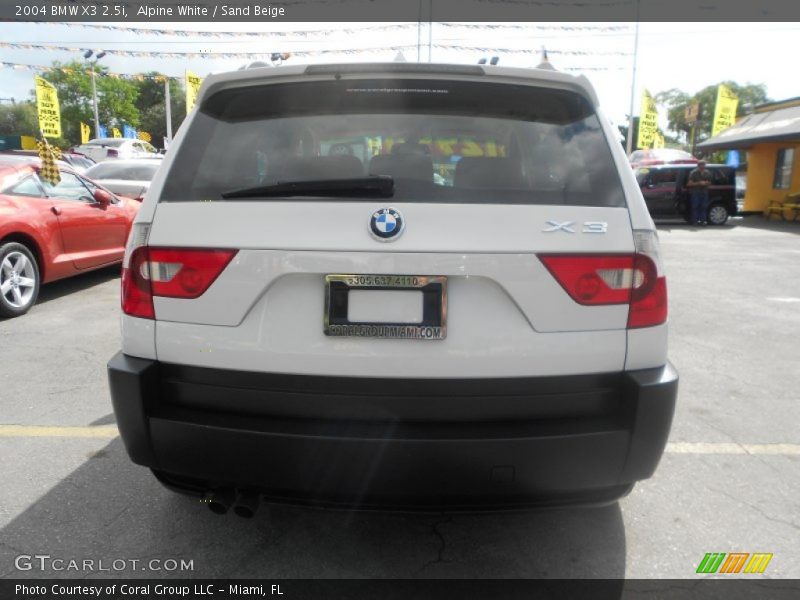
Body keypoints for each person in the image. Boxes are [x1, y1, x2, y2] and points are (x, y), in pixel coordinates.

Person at [686, 160, 713, 225]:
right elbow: (689, 184)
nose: (703, 166)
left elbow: (710, 182)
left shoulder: (707, 172)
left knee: (704, 207)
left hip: (704, 192)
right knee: (695, 207)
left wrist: (706, 183)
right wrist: (699, 183)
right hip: (696, 192)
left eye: (704, 165)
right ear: (698, 165)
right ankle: (695, 221)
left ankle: (703, 221)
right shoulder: (693, 173)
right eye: (702, 165)